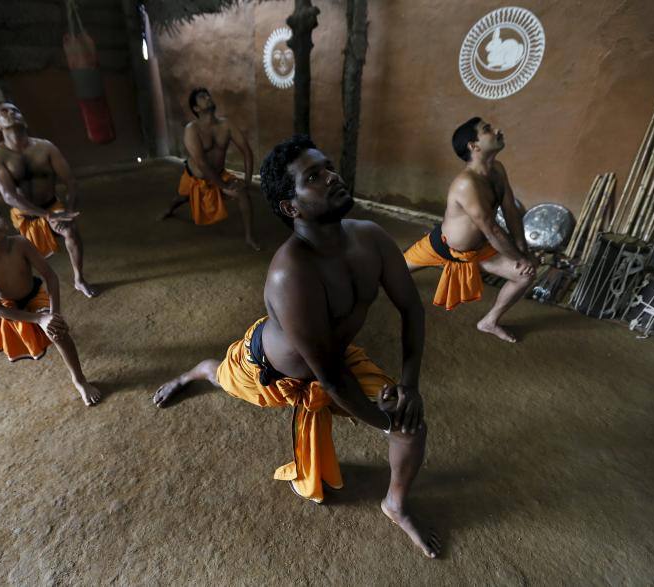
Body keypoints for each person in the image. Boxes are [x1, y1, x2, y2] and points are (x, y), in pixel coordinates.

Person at [153, 135, 440, 558]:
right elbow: (331, 378)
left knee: (411, 424)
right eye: (314, 176)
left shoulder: (372, 238)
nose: (332, 177)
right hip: (267, 369)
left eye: (327, 167)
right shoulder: (291, 273)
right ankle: (195, 371)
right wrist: (382, 419)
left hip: (335, 356)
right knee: (220, 376)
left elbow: (412, 310)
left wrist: (409, 388)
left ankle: (395, 505)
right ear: (292, 207)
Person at [404, 117, 537, 343]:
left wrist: (522, 252)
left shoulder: (497, 170)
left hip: (481, 251)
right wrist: (519, 258)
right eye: (488, 130)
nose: (498, 129)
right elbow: (492, 230)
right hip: (443, 247)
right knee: (393, 269)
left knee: (525, 275)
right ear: (473, 146)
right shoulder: (466, 183)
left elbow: (510, 211)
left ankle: (489, 322)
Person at [0, 198, 102, 406]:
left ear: (5, 221)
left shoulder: (21, 243)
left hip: (33, 294)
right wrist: (38, 318)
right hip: (5, 305)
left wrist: (53, 314)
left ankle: (79, 380)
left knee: (58, 331)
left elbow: (50, 277)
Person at [0, 102, 97, 304]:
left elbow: (70, 181)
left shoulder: (45, 147)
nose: (11, 113)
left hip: (52, 205)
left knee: (71, 231)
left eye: (16, 110)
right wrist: (48, 216)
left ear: (23, 119)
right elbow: (9, 196)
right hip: (24, 213)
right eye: (4, 112)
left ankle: (79, 279)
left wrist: (68, 211)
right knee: (23, 255)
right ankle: (23, 293)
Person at [160, 88, 260, 251]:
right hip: (195, 178)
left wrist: (247, 181)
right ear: (196, 108)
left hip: (220, 175)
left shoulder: (226, 125)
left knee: (242, 193)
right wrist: (223, 186)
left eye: (207, 95)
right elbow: (202, 163)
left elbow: (246, 151)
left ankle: (249, 237)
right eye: (202, 97)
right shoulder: (192, 129)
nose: (207, 97)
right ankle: (169, 209)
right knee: (181, 198)